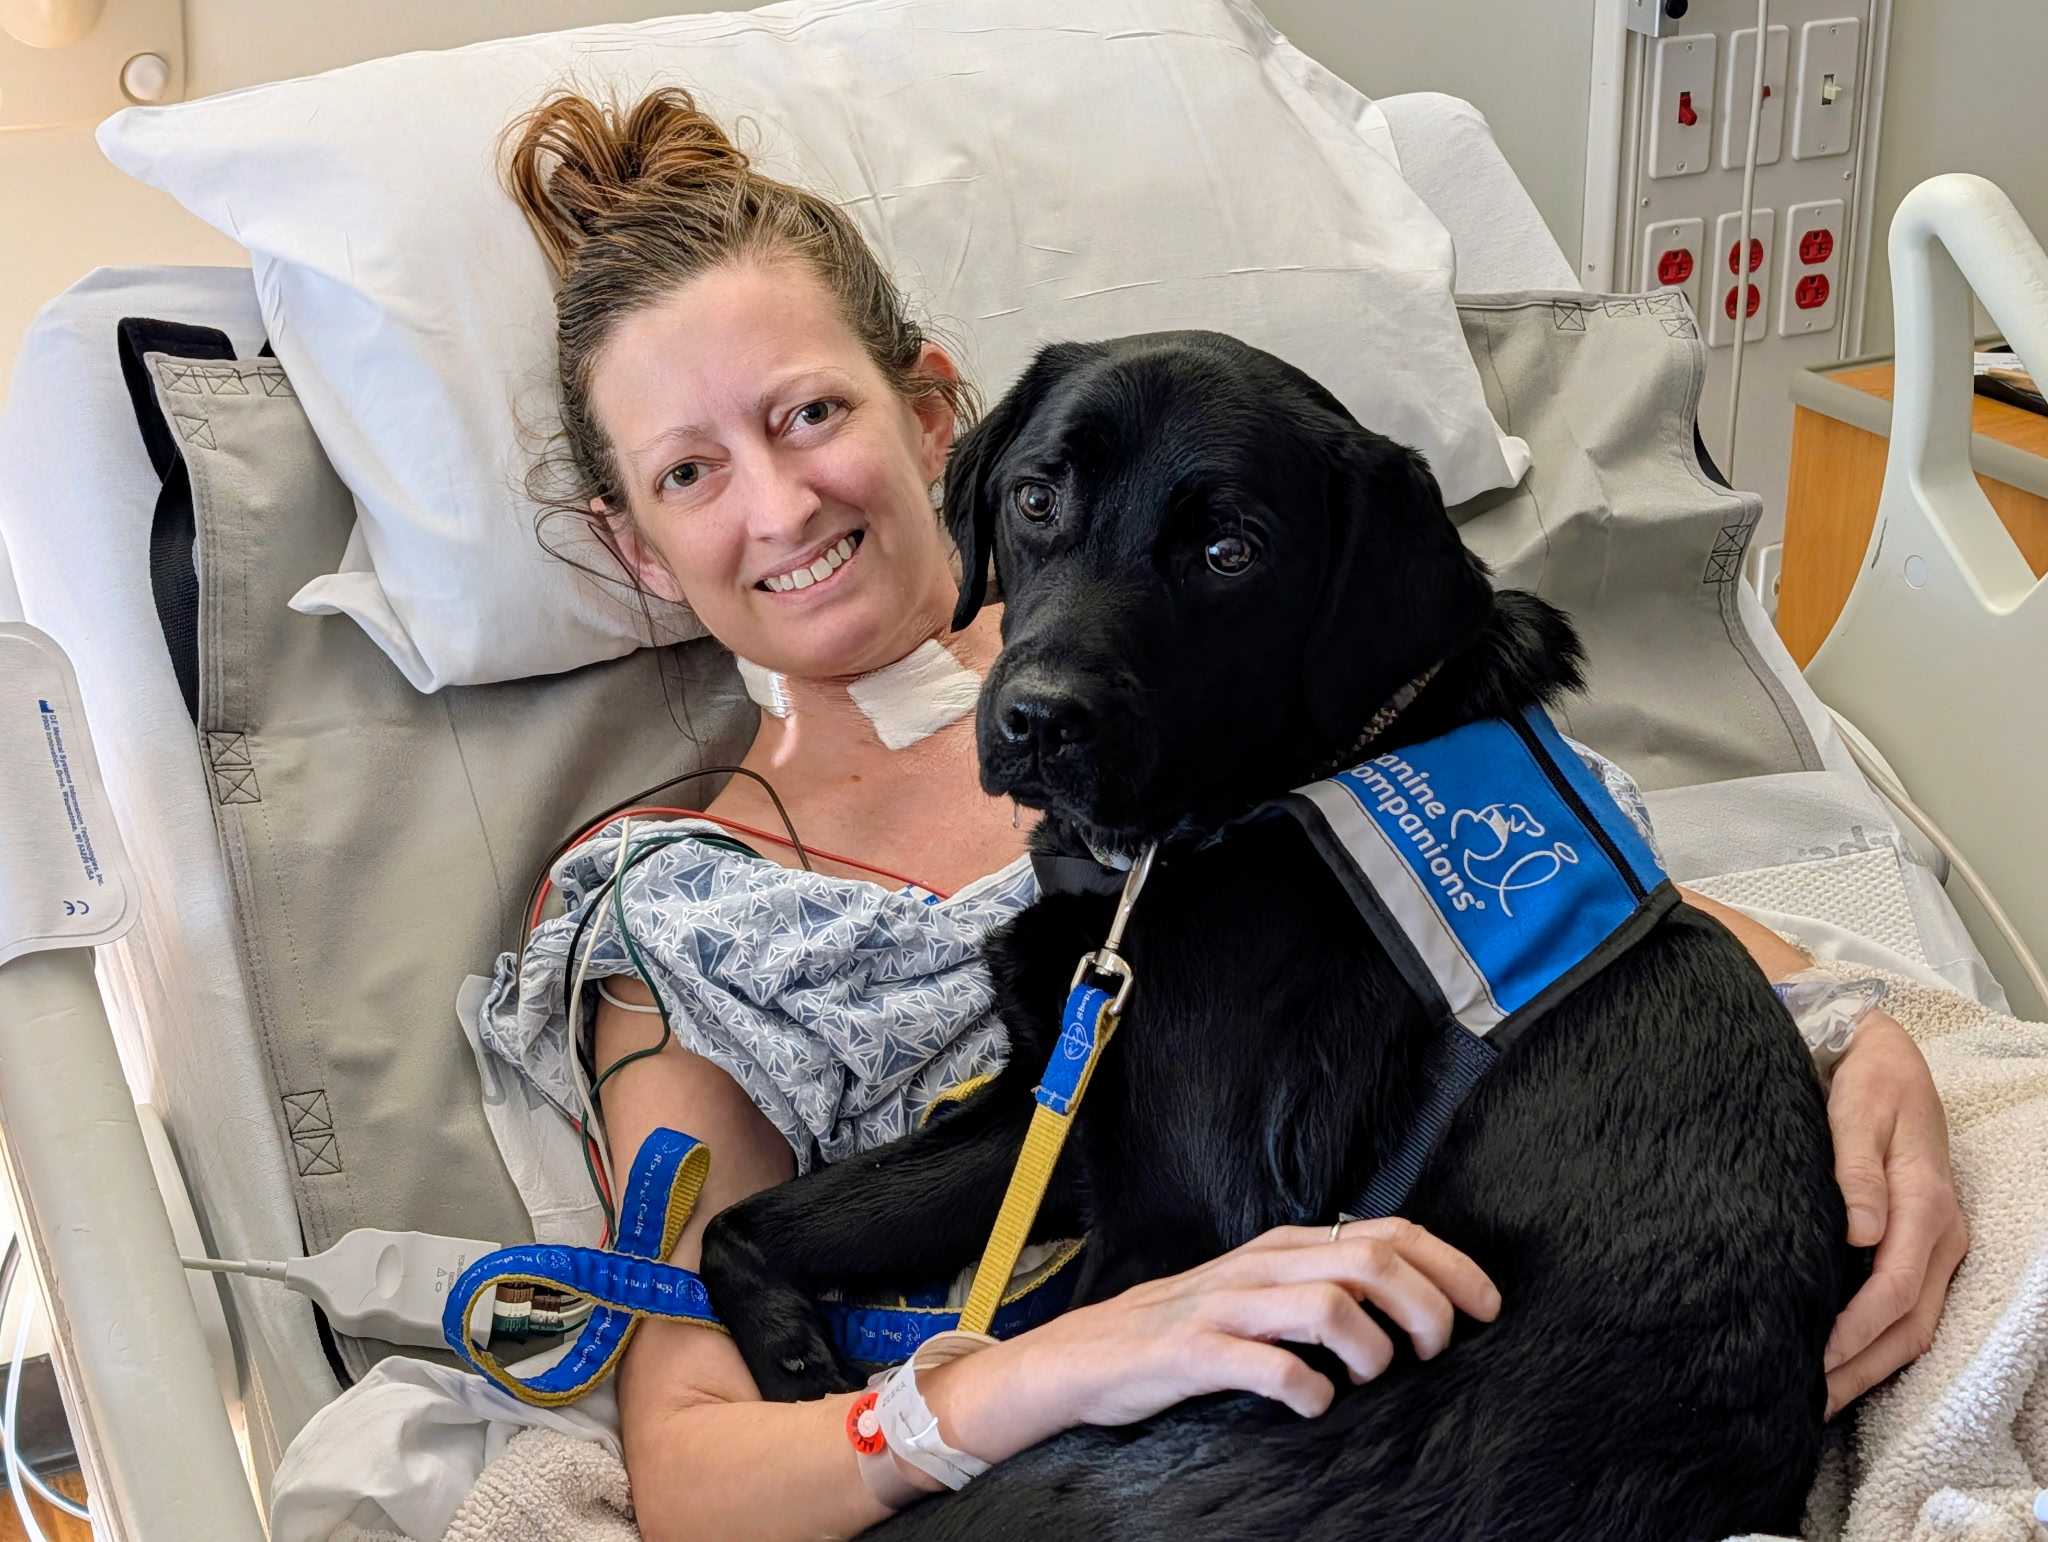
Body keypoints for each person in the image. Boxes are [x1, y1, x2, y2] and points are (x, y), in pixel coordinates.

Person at [501, 87, 1966, 1542]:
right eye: (689, 472)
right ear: (640, 547)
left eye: (810, 413)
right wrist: (1040, 1374)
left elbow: (1605, 938)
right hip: (1159, 1448)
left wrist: (1863, 1034)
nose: (779, 507)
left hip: (1559, 1331)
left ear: (936, 415)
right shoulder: (691, 909)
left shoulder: (1327, 698)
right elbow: (693, 1472)